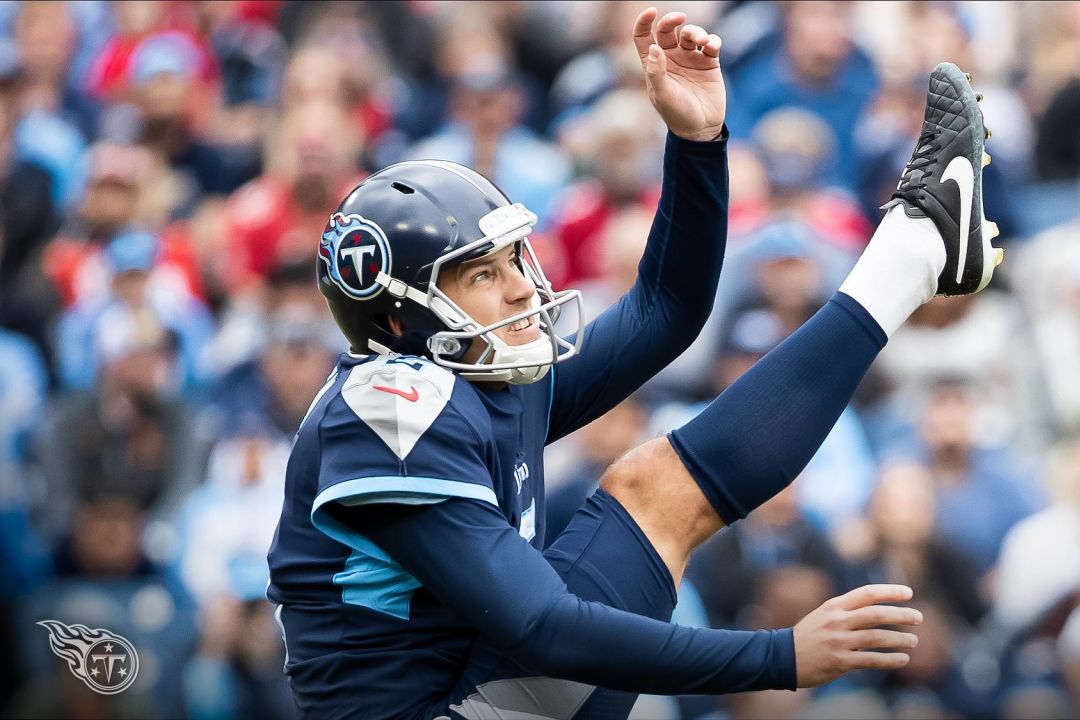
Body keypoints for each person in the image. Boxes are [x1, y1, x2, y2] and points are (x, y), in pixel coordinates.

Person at [268, 7, 1001, 718]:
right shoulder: (389, 406)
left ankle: (918, 251)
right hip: (443, 709)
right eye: (482, 275)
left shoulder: (474, 376)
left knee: (654, 483)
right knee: (650, 490)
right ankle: (915, 251)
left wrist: (697, 143)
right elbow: (545, 627)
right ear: (398, 316)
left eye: (511, 258)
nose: (524, 285)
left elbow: (666, 310)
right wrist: (777, 657)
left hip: (481, 686)